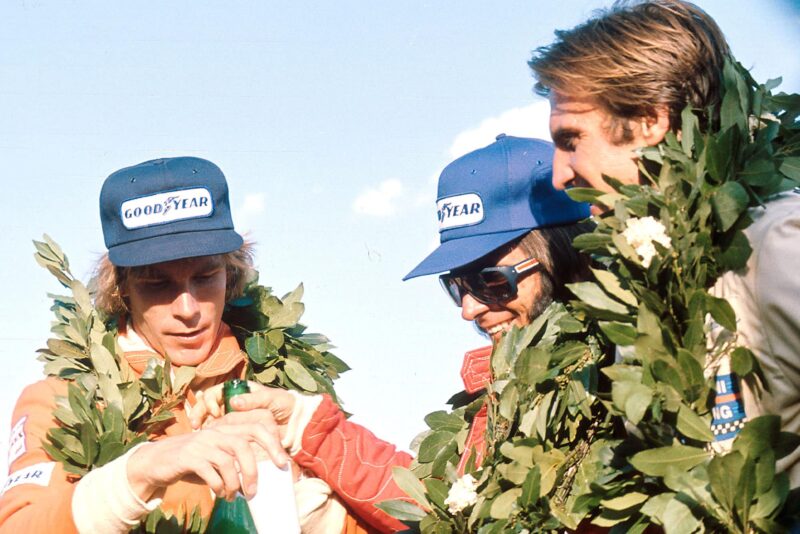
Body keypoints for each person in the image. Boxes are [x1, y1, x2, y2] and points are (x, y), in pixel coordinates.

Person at [190, 135, 593, 532]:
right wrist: (299, 421)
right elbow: (442, 509)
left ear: (567, 257)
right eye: (457, 286)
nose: (469, 309)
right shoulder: (512, 390)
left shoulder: (619, 387)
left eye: (492, 281)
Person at [0, 157, 366, 533]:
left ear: (232, 273)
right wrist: (138, 472)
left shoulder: (287, 397)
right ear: (120, 288)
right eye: (157, 284)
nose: (188, 309)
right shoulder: (61, 400)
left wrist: (322, 517)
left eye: (206, 277)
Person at [528, 0, 800, 487]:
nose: (558, 175)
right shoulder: (651, 288)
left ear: (649, 122)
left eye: (571, 139)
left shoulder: (775, 246)